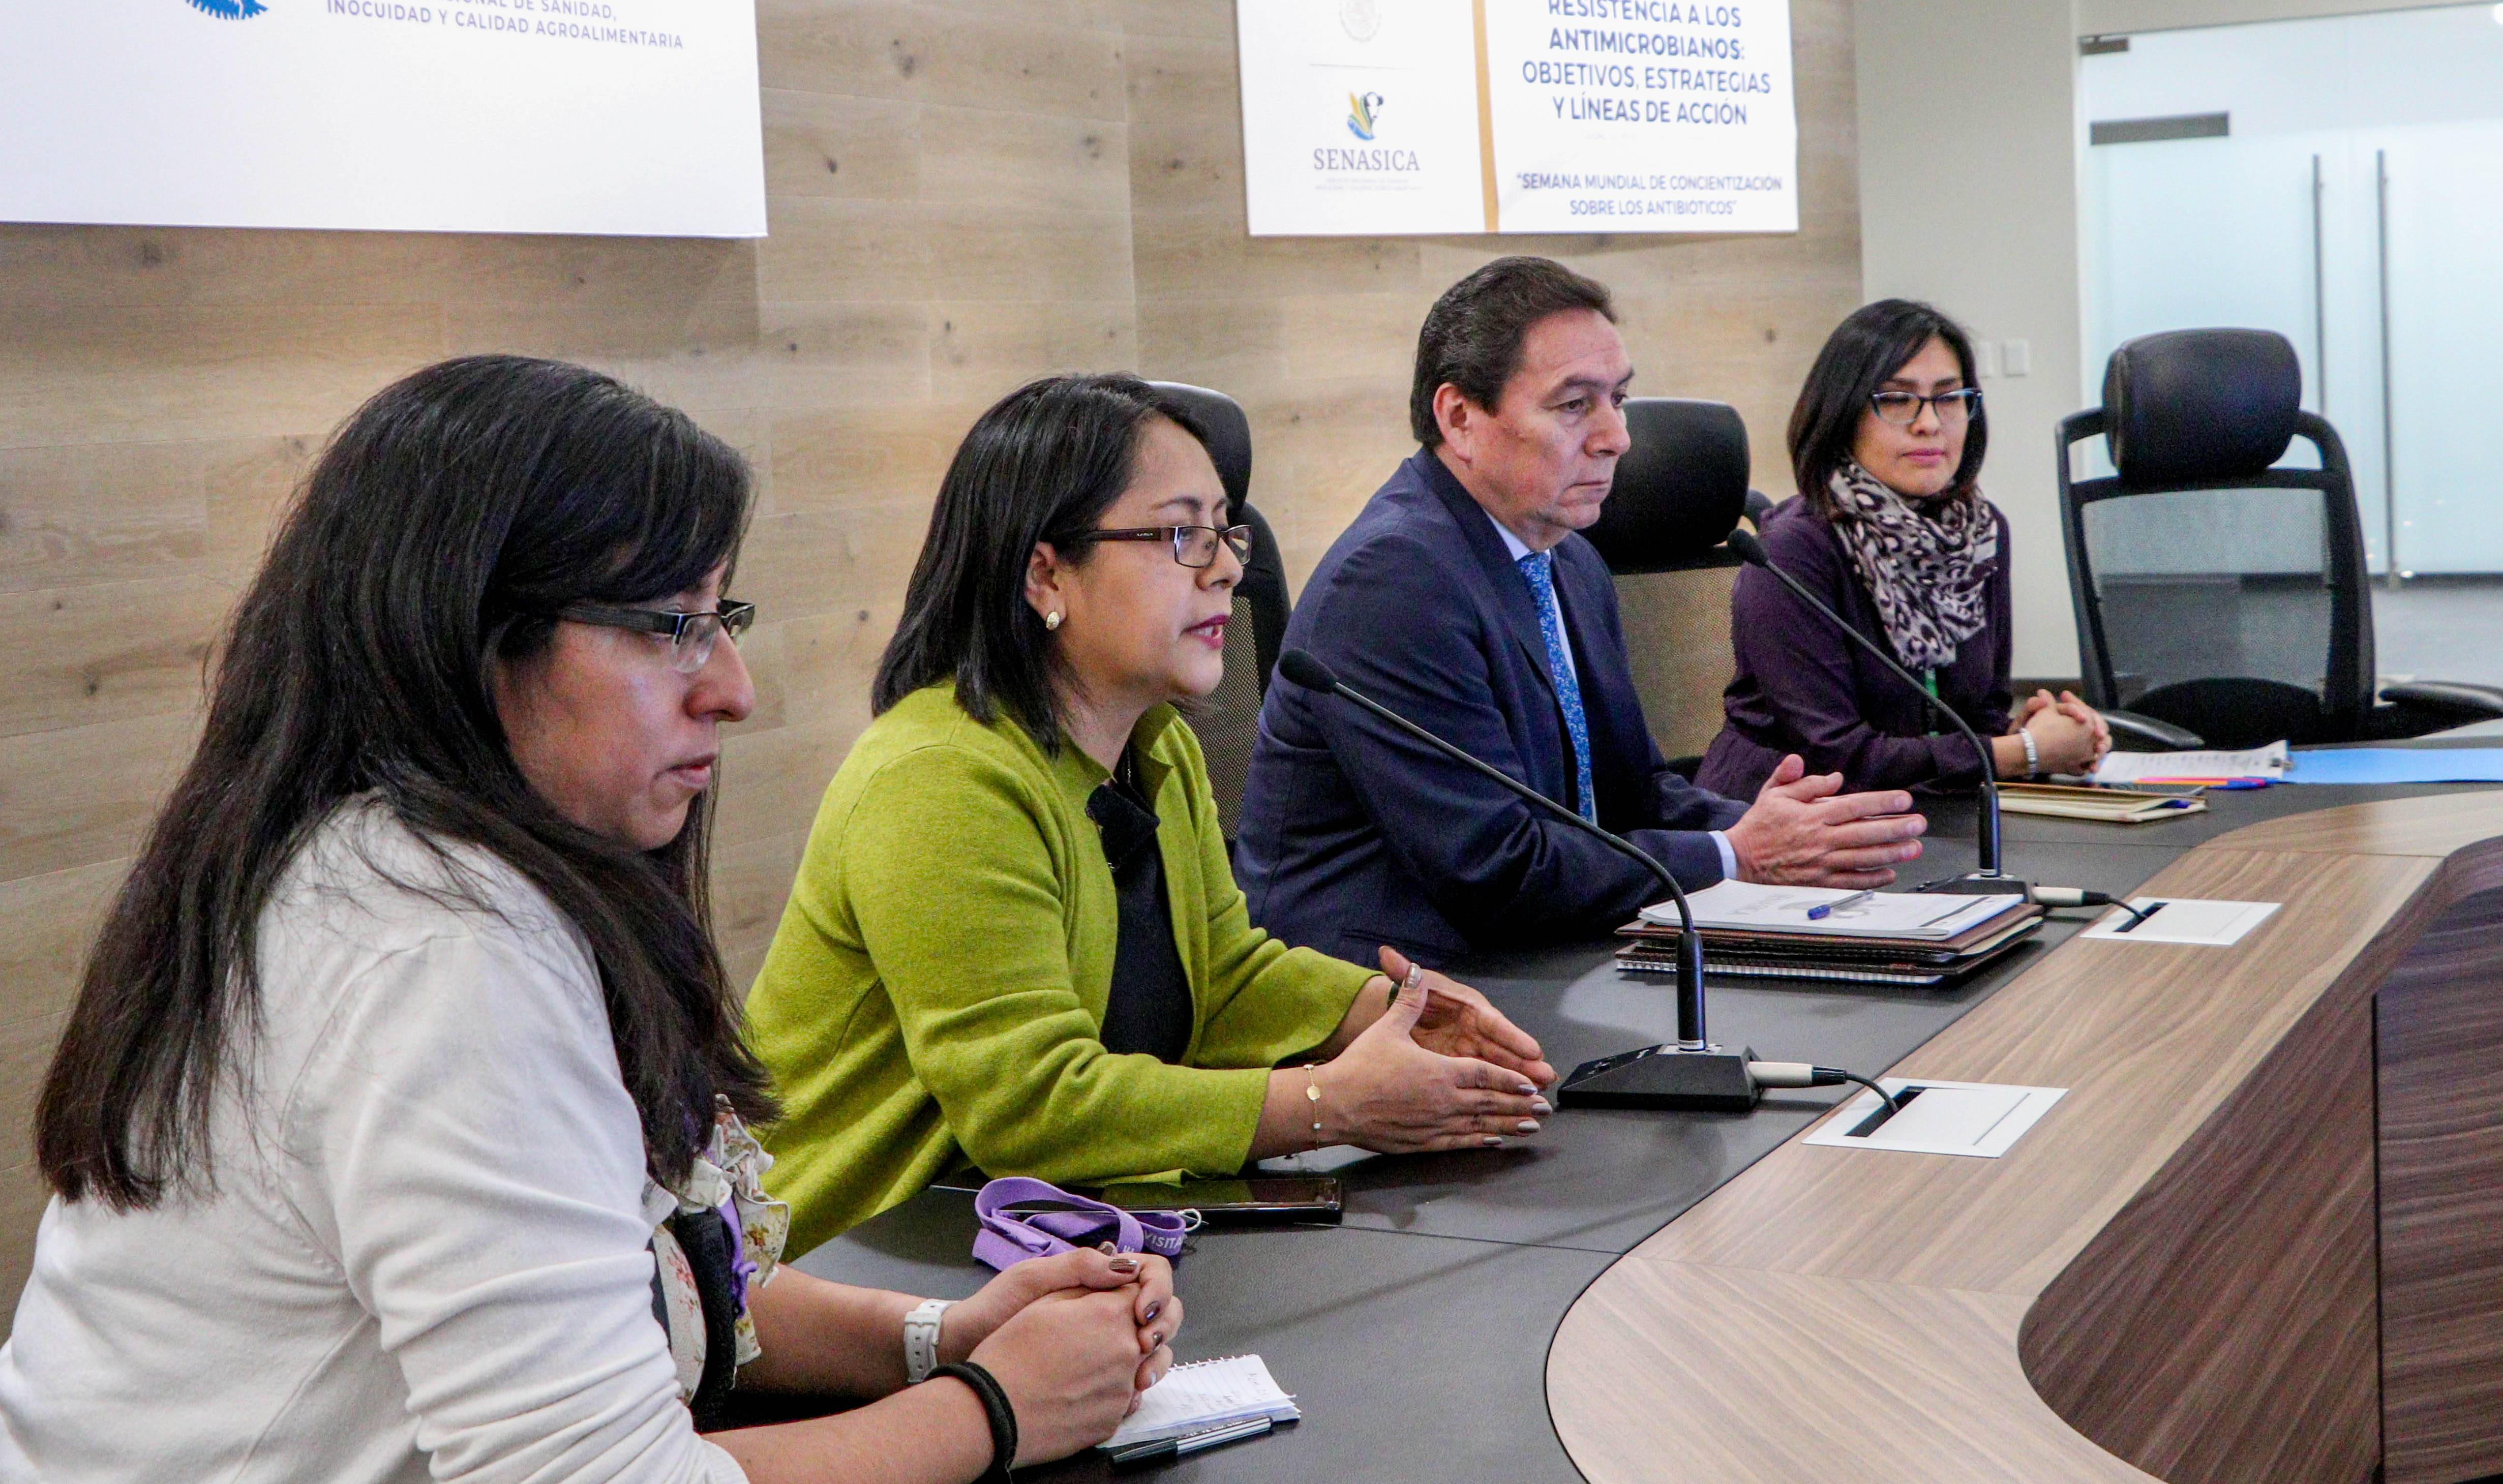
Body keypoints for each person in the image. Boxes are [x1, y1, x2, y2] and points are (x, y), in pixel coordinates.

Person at [0, 356, 1181, 1484]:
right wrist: (995, 1407)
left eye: (722, 616)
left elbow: (623, 1274)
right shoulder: (438, 950)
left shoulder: (400, 874)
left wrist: (940, 1336)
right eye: (670, 624)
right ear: (473, 637)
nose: (733, 686)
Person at [745, 374, 1559, 1256]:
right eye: (1181, 535)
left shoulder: (1156, 744)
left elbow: (1221, 977)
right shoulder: (938, 778)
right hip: (864, 1262)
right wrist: (1329, 1104)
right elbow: (1030, 1104)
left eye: (1224, 531)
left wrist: (1386, 1011)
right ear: (1045, 572)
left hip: (1053, 1233)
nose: (1228, 568)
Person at [1237, 258, 1933, 968]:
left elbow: (1627, 793)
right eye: (1574, 405)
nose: (1616, 436)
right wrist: (1736, 854)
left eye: (1618, 398)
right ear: (1460, 418)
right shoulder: (1393, 581)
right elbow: (1493, 867)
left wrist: (1782, 829)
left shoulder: (1567, 559)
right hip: (1393, 979)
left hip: (1543, 943)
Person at [1697, 299, 2112, 799]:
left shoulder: (1980, 534)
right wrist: (2019, 752)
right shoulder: (1792, 553)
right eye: (1897, 400)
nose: (1929, 423)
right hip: (1788, 815)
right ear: (1843, 414)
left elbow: (1979, 712)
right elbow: (1836, 757)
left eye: (1949, 397)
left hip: (1928, 807)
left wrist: (2034, 731)